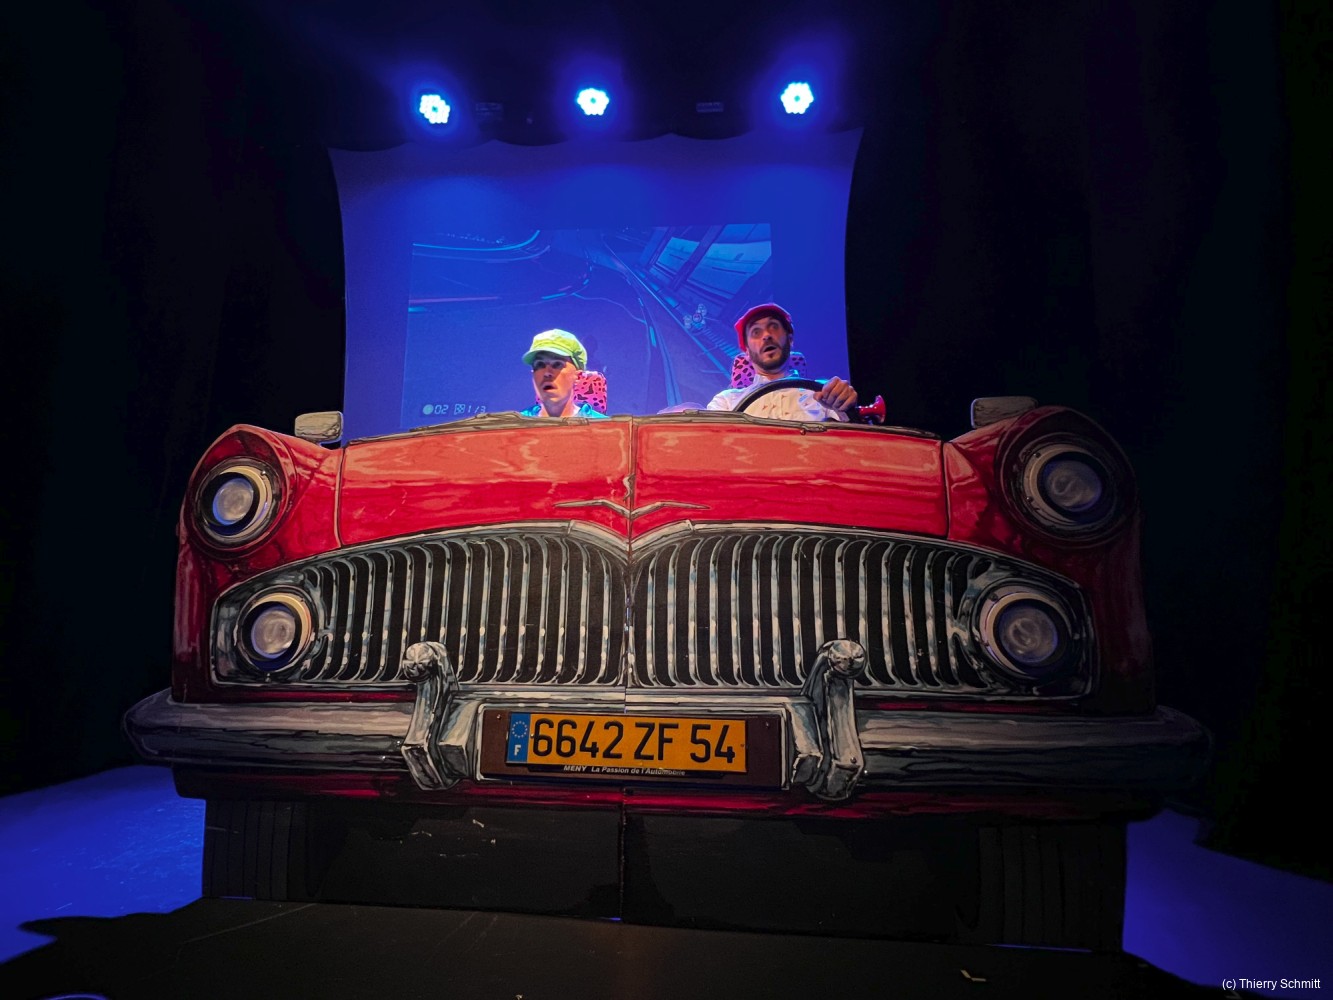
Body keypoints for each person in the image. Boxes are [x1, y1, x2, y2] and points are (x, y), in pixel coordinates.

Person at [706, 303, 858, 421]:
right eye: (756, 332)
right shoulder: (726, 402)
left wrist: (844, 405)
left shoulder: (824, 393)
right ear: (747, 352)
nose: (766, 335)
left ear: (790, 340)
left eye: (773, 327)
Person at [519, 329, 608, 419]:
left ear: (578, 376)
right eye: (539, 364)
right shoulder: (516, 424)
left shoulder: (605, 426)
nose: (547, 373)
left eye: (557, 364)